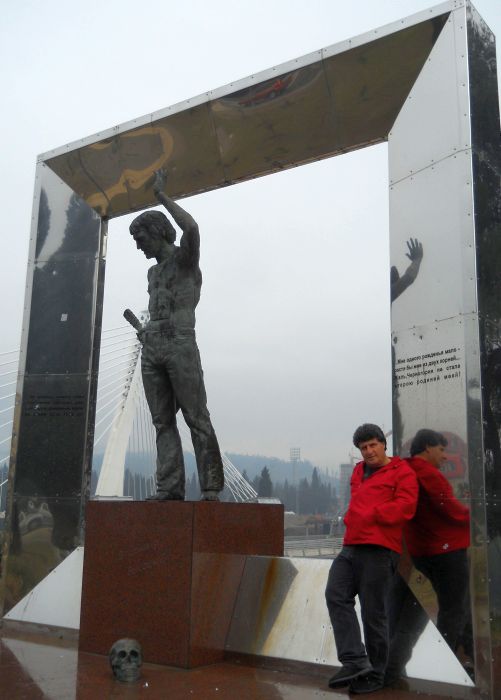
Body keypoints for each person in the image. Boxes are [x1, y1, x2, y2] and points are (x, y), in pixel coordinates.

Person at [128, 169, 224, 501]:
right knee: (162, 422)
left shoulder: (185, 262)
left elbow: (193, 228)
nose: (139, 248)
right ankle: (169, 489)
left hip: (181, 344)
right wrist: (147, 334)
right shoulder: (152, 272)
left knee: (197, 417)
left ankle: (211, 487)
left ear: (158, 233)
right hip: (152, 348)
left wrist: (161, 197)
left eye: (141, 241)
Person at [325, 423, 418, 694]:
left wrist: (372, 514)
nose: (368, 451)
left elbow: (406, 507)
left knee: (373, 613)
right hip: (350, 546)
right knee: (335, 595)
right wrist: (352, 518)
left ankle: (377, 674)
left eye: (373, 445)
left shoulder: (402, 472)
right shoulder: (357, 471)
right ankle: (354, 660)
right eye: (363, 448)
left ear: (383, 444)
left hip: (380, 550)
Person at [404, 429, 473, 665]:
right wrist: (478, 517)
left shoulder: (405, 471)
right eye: (441, 450)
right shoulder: (428, 474)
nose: (445, 456)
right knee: (454, 609)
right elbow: (451, 509)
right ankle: (449, 664)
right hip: (446, 551)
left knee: (458, 605)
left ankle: (468, 650)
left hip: (421, 551)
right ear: (427, 448)